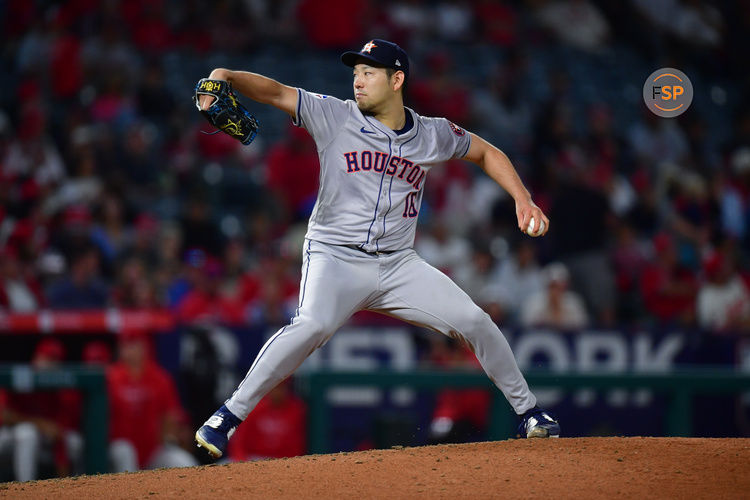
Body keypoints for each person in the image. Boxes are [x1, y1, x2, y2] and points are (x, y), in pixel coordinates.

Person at [194, 39, 560, 459]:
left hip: (400, 265)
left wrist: (522, 197)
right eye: (355, 73)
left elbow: (484, 151)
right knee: (311, 325)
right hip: (335, 257)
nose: (358, 81)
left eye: (368, 73)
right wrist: (226, 75)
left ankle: (529, 412)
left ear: (397, 79)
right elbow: (275, 91)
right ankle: (227, 415)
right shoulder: (334, 114)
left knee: (475, 321)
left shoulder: (432, 133)